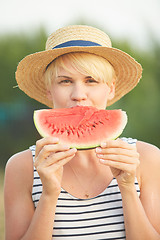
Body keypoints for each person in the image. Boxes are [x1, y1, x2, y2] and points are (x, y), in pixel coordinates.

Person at [4, 25, 160, 240]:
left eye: (91, 80)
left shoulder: (147, 159)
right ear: (49, 90)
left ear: (111, 88)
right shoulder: (22, 167)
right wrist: (49, 194)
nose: (78, 95)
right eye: (65, 81)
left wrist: (127, 188)